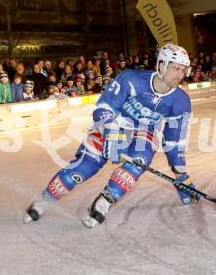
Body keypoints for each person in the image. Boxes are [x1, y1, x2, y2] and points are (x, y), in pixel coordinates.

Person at [23, 43, 199, 228]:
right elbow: (104, 107)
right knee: (82, 169)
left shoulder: (181, 101)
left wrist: (181, 174)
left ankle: (105, 201)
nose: (179, 74)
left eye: (183, 69)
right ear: (162, 65)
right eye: (175, 68)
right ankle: (44, 199)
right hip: (113, 125)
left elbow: (174, 139)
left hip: (143, 134)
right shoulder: (131, 79)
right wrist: (111, 131)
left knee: (139, 159)